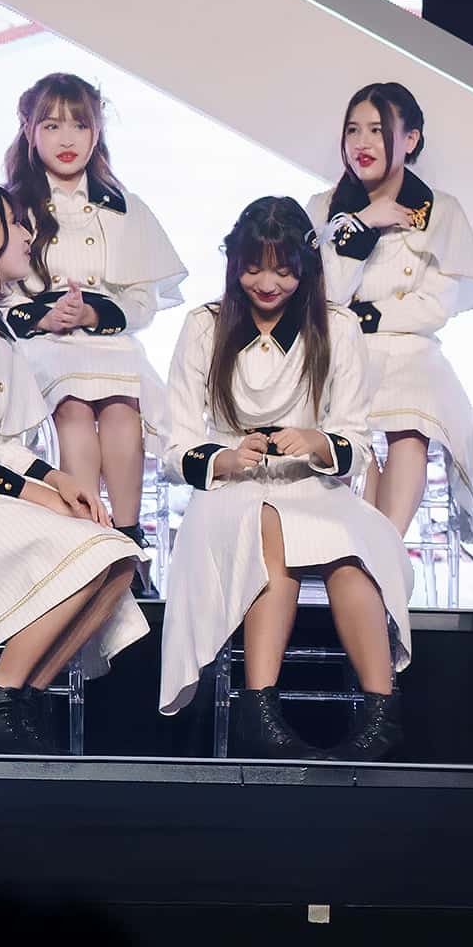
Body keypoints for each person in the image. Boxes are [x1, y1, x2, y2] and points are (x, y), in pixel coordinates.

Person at [159, 197, 410, 759]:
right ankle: (260, 709)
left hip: (313, 487)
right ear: (234, 264)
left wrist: (317, 442)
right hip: (231, 493)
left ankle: (382, 715)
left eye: (283, 270)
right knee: (270, 529)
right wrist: (225, 459)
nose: (267, 284)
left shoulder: (338, 326)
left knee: (352, 552)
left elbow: (356, 440)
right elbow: (174, 448)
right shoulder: (204, 325)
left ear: (307, 267)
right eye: (253, 268)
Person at [1, 74, 186, 597]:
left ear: (97, 131)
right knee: (75, 407)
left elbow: (143, 299)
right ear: (29, 130)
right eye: (52, 125)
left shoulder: (122, 206)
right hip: (41, 346)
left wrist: (91, 313)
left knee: (123, 406)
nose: (67, 139)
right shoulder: (13, 206)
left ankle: (127, 542)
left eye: (79, 125)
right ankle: (87, 544)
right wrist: (44, 318)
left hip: (106, 341)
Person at [0, 183, 147, 755]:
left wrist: (57, 480)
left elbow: (2, 442)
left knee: (118, 556)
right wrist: (30, 493)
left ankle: (21, 697)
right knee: (91, 549)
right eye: (15, 224)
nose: (29, 236)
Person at [309, 83, 473, 545]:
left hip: (412, 352)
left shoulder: (442, 210)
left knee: (413, 419)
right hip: (342, 350)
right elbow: (327, 295)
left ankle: (384, 552)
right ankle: (367, 556)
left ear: (410, 139)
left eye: (377, 130)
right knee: (350, 425)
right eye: (353, 130)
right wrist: (364, 225)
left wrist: (366, 315)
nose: (362, 143)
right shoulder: (323, 208)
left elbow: (434, 306)